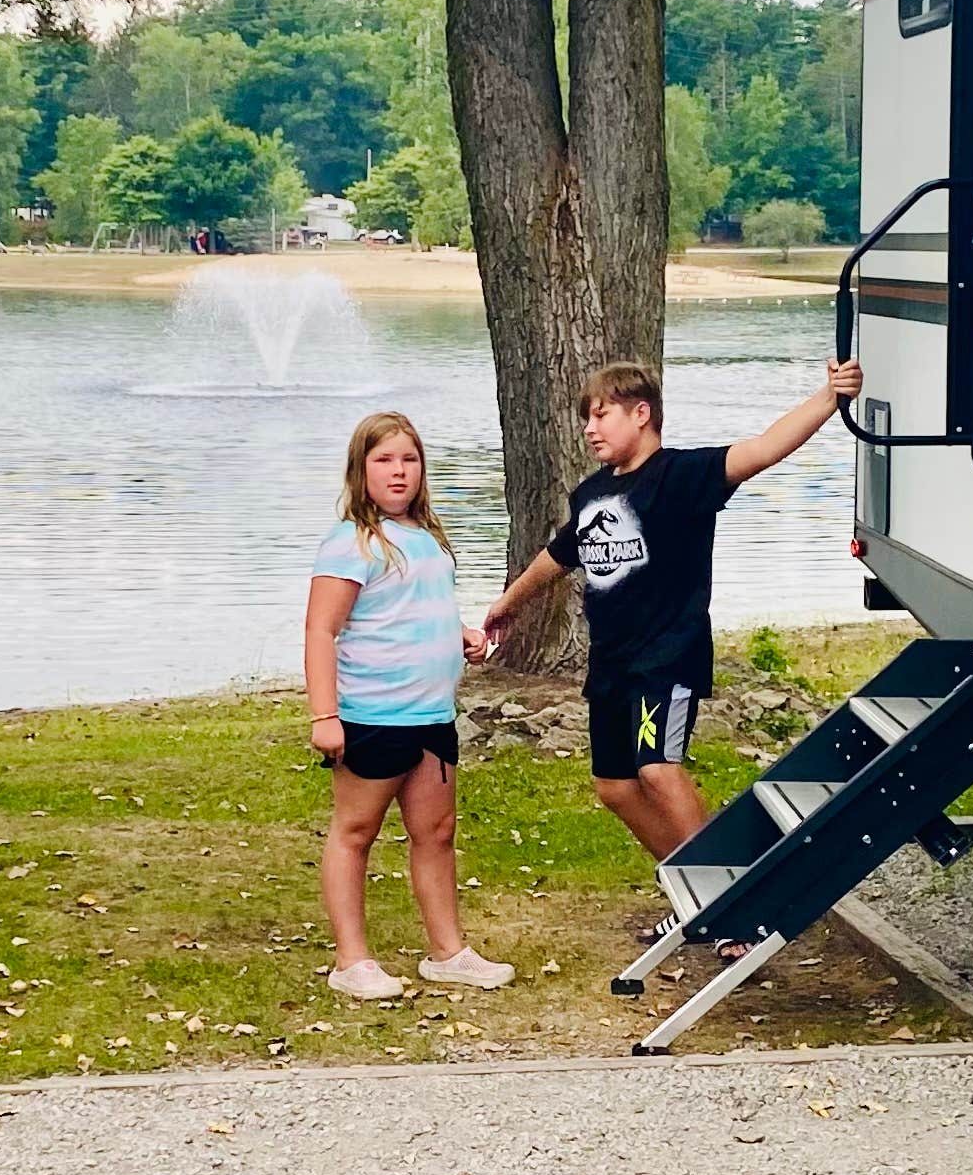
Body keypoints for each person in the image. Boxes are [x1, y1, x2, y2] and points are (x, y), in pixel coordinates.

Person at [481, 353, 863, 887]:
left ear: (641, 414)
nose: (590, 429)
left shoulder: (684, 476)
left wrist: (829, 397)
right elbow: (559, 553)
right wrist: (509, 604)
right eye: (586, 418)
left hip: (667, 656)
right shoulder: (593, 492)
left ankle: (732, 897)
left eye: (601, 415)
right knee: (614, 787)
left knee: (657, 769)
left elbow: (764, 448)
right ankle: (693, 886)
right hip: (612, 664)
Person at [305, 412, 512, 1004]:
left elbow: (418, 610)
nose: (398, 472)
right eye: (384, 460)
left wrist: (461, 634)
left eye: (409, 460)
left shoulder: (427, 539)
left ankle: (448, 952)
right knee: (356, 831)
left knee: (437, 832)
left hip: (431, 719)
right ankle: (352, 961)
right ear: (360, 470)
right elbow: (322, 630)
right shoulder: (350, 542)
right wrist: (326, 716)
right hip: (371, 716)